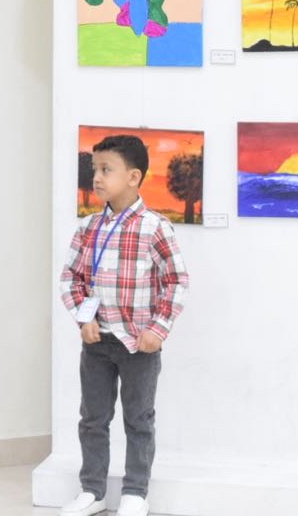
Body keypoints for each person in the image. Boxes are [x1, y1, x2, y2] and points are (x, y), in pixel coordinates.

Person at [58, 135, 190, 516]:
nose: (97, 178)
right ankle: (93, 490)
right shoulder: (88, 227)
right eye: (95, 170)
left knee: (139, 419)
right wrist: (84, 318)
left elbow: (176, 281)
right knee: (92, 419)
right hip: (97, 343)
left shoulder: (155, 227)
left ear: (133, 177)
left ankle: (135, 492)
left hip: (139, 345)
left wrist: (158, 329)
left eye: (106, 170)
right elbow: (71, 278)